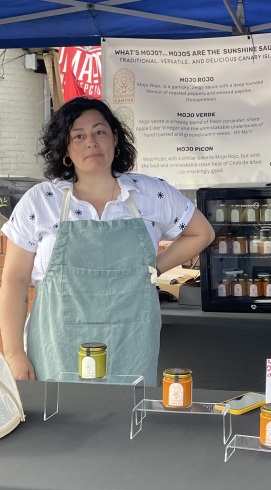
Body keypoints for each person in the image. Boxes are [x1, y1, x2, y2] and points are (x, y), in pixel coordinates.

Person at [0, 97, 214, 386]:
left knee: (125, 425)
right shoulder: (41, 201)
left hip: (131, 346)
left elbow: (202, 233)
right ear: (65, 147)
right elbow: (14, 280)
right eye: (78, 135)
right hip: (55, 348)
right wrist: (13, 354)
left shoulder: (150, 193)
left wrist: (152, 269)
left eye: (99, 131)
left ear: (115, 138)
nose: (91, 142)